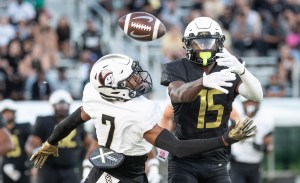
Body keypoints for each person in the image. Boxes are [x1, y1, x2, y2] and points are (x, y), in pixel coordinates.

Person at [29, 54, 256, 183]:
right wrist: (224, 140)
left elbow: (69, 122)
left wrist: (51, 142)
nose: (138, 79)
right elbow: (178, 148)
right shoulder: (138, 112)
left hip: (101, 169)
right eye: (130, 79)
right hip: (129, 175)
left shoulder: (95, 96)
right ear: (116, 88)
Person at [160, 17, 263, 183]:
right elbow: (178, 94)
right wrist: (203, 82)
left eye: (209, 42)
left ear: (219, 44)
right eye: (197, 43)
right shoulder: (176, 68)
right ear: (187, 44)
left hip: (217, 159)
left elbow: (257, 95)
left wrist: (242, 70)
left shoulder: (228, 67)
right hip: (184, 159)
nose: (203, 48)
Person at [25, 89, 97, 183]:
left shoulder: (77, 123)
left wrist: (87, 161)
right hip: (48, 169)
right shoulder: (44, 121)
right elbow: (30, 143)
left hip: (70, 169)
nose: (62, 108)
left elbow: (91, 144)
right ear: (53, 106)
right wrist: (35, 152)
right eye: (59, 105)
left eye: (65, 104)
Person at [230, 97, 274, 183]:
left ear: (258, 104)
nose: (250, 105)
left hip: (255, 164)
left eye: (253, 102)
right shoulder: (237, 117)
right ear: (243, 104)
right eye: (248, 102)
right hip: (237, 163)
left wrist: (263, 148)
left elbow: (270, 146)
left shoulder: (265, 120)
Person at [0, 99, 32, 183]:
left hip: (23, 165)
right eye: (4, 113)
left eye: (9, 113)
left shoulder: (24, 127)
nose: (7, 115)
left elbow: (31, 145)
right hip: (6, 166)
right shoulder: (1, 131)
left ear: (14, 113)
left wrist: (31, 164)